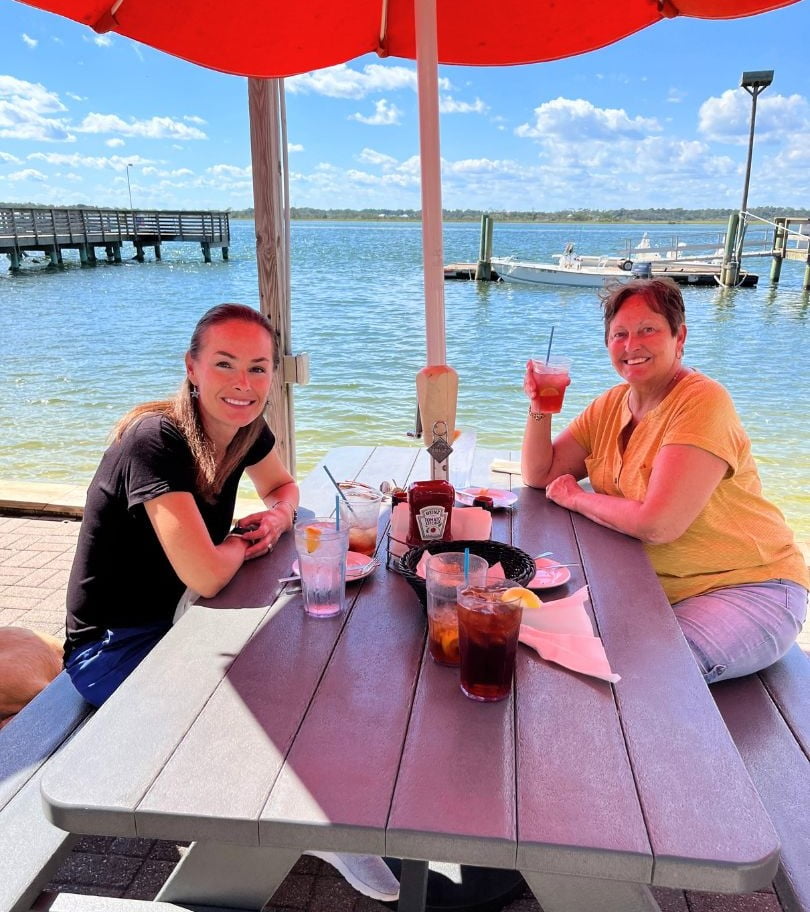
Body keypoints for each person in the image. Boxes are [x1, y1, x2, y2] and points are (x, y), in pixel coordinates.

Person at [63, 302, 400, 903]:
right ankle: (308, 816)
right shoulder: (156, 439)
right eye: (224, 364)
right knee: (262, 700)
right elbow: (209, 573)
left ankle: (329, 796)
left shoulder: (245, 429)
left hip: (183, 618)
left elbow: (286, 487)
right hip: (113, 649)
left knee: (317, 658)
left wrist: (273, 517)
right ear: (192, 368)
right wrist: (245, 544)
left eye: (258, 368)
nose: (243, 384)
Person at [521, 277, 808, 685]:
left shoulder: (701, 402)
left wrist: (577, 498)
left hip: (748, 587)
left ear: (680, 337)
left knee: (649, 679)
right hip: (654, 589)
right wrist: (539, 408)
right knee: (538, 641)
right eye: (619, 334)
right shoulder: (610, 405)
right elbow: (540, 474)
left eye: (648, 330)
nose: (631, 344)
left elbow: (659, 523)